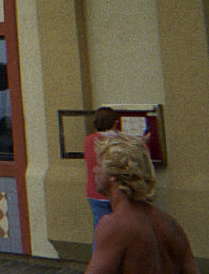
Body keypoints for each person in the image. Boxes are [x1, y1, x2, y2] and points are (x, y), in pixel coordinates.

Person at [85, 134, 197, 274]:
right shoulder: (170, 223)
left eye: (99, 165)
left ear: (114, 174)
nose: (94, 170)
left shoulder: (114, 225)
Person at [84, 106, 120, 235]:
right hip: (115, 192)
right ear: (115, 123)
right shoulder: (119, 140)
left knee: (100, 231)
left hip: (94, 192)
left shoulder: (88, 140)